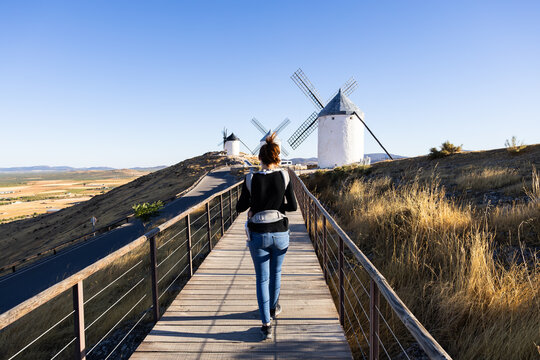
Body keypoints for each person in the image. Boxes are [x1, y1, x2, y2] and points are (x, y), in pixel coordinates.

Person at [236, 132, 298, 340]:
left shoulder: (251, 178)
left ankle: (266, 325)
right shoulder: (284, 176)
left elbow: (239, 207)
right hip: (281, 233)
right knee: (276, 273)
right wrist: (277, 206)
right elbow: (293, 207)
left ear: (260, 159)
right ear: (277, 158)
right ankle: (273, 309)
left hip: (259, 235)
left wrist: (255, 208)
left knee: (262, 278)